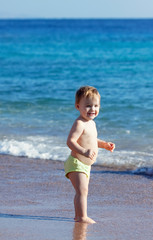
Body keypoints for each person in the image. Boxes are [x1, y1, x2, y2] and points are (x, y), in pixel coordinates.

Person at [64, 86, 115, 224]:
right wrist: (84, 151)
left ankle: (78, 215)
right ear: (78, 106)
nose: (92, 109)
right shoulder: (79, 123)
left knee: (83, 191)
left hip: (86, 165)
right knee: (82, 191)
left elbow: (92, 140)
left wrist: (103, 144)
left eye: (96, 105)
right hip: (76, 162)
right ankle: (81, 217)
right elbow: (70, 141)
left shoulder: (91, 123)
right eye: (88, 106)